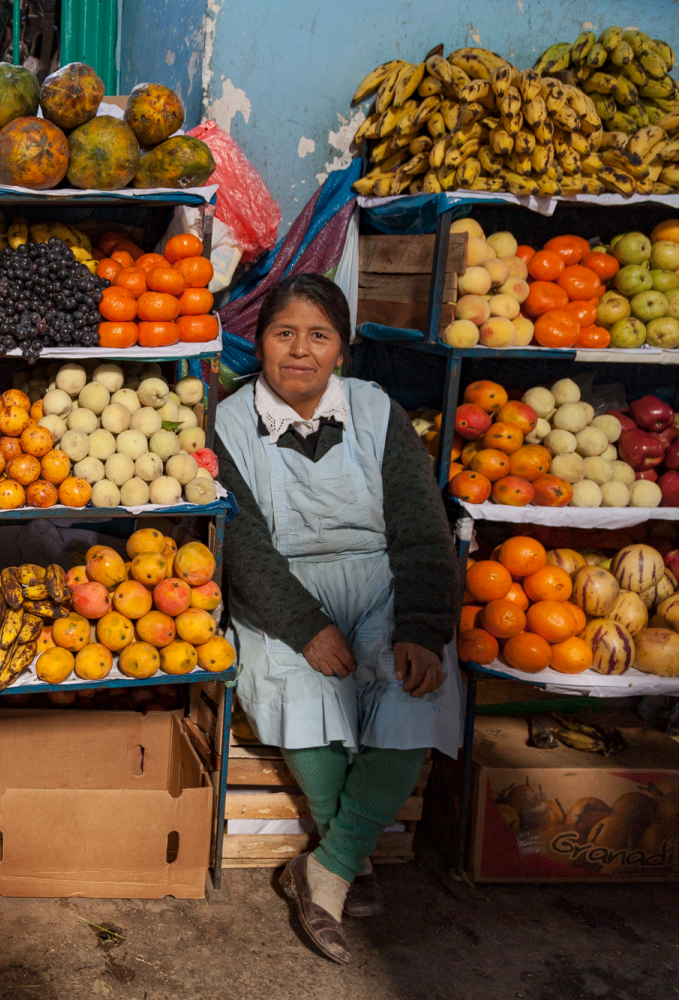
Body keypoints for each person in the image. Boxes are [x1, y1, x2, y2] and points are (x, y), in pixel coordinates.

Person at [214, 273, 462, 965]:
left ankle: (329, 863)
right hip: (281, 591)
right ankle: (347, 857)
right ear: (258, 341)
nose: (300, 351)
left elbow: (421, 528)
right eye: (283, 333)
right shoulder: (229, 421)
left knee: (419, 686)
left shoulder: (377, 412)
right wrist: (303, 624)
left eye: (318, 336)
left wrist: (416, 625)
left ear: (342, 349)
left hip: (378, 581)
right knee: (299, 687)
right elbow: (243, 542)